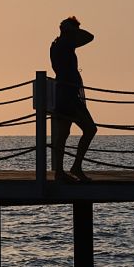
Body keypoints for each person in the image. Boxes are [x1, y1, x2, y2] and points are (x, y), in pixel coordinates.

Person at [50, 16, 98, 182]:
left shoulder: (62, 44)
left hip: (66, 93)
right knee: (89, 129)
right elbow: (89, 37)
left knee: (64, 133)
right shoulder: (62, 45)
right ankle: (73, 167)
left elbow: (89, 37)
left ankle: (62, 171)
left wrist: (71, 30)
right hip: (67, 95)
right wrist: (71, 31)